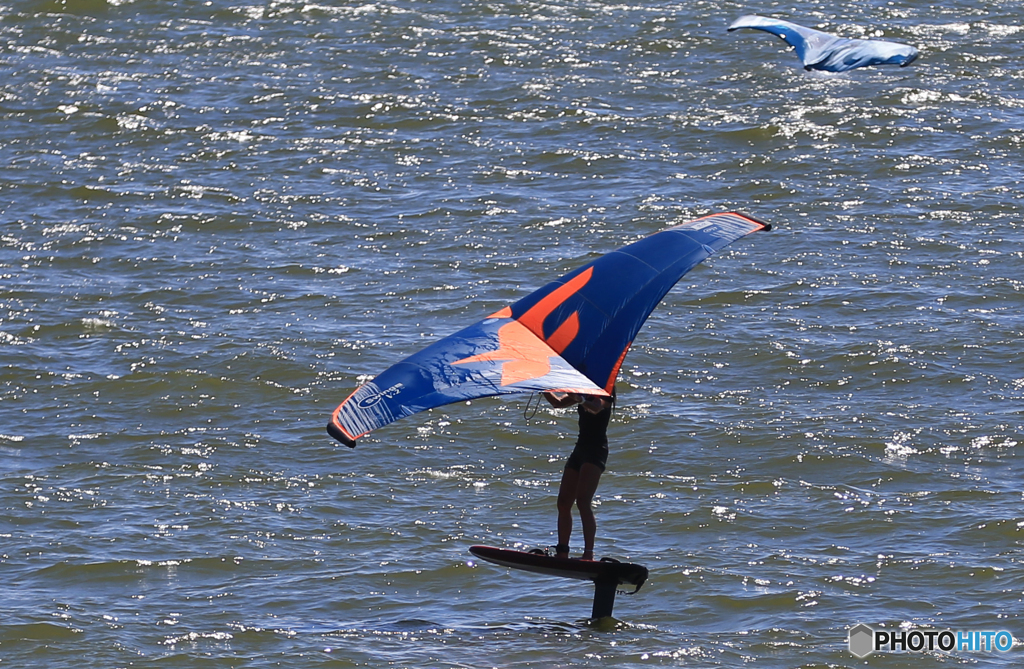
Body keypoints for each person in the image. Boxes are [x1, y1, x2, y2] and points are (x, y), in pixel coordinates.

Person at [542, 390, 614, 561]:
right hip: (579, 449)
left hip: (596, 451)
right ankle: (562, 551)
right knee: (563, 502)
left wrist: (580, 399)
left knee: (583, 501)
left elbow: (596, 408)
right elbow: (557, 403)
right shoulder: (583, 393)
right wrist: (542, 388)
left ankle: (588, 554)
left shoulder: (606, 395)